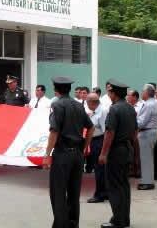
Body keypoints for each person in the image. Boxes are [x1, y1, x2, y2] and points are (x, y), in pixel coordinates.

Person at [43, 76, 95, 228]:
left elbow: (54, 132)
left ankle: (61, 225)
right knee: (74, 193)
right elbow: (91, 127)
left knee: (58, 193)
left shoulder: (57, 105)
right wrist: (84, 147)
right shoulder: (79, 105)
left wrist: (47, 155)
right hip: (77, 154)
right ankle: (73, 224)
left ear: (55, 89)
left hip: (62, 154)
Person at [99, 79, 138, 228]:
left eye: (109, 91)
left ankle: (118, 221)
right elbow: (135, 131)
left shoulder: (114, 109)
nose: (108, 94)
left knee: (114, 186)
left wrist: (103, 154)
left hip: (116, 151)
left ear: (113, 93)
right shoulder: (130, 108)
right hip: (127, 148)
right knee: (124, 186)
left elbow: (109, 133)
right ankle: (124, 218)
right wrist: (129, 144)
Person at [85, 93, 108, 203]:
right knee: (100, 169)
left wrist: (104, 150)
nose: (87, 105)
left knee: (99, 169)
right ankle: (104, 192)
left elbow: (106, 131)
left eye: (87, 102)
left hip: (100, 141)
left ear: (91, 102)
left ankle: (100, 194)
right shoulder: (95, 111)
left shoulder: (102, 111)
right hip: (95, 140)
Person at [137, 84, 157, 190]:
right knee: (148, 158)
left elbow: (141, 122)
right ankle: (147, 180)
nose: (141, 93)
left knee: (146, 159)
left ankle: (148, 182)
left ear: (146, 93)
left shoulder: (149, 104)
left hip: (147, 132)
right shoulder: (152, 103)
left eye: (142, 91)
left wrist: (132, 122)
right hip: (149, 132)